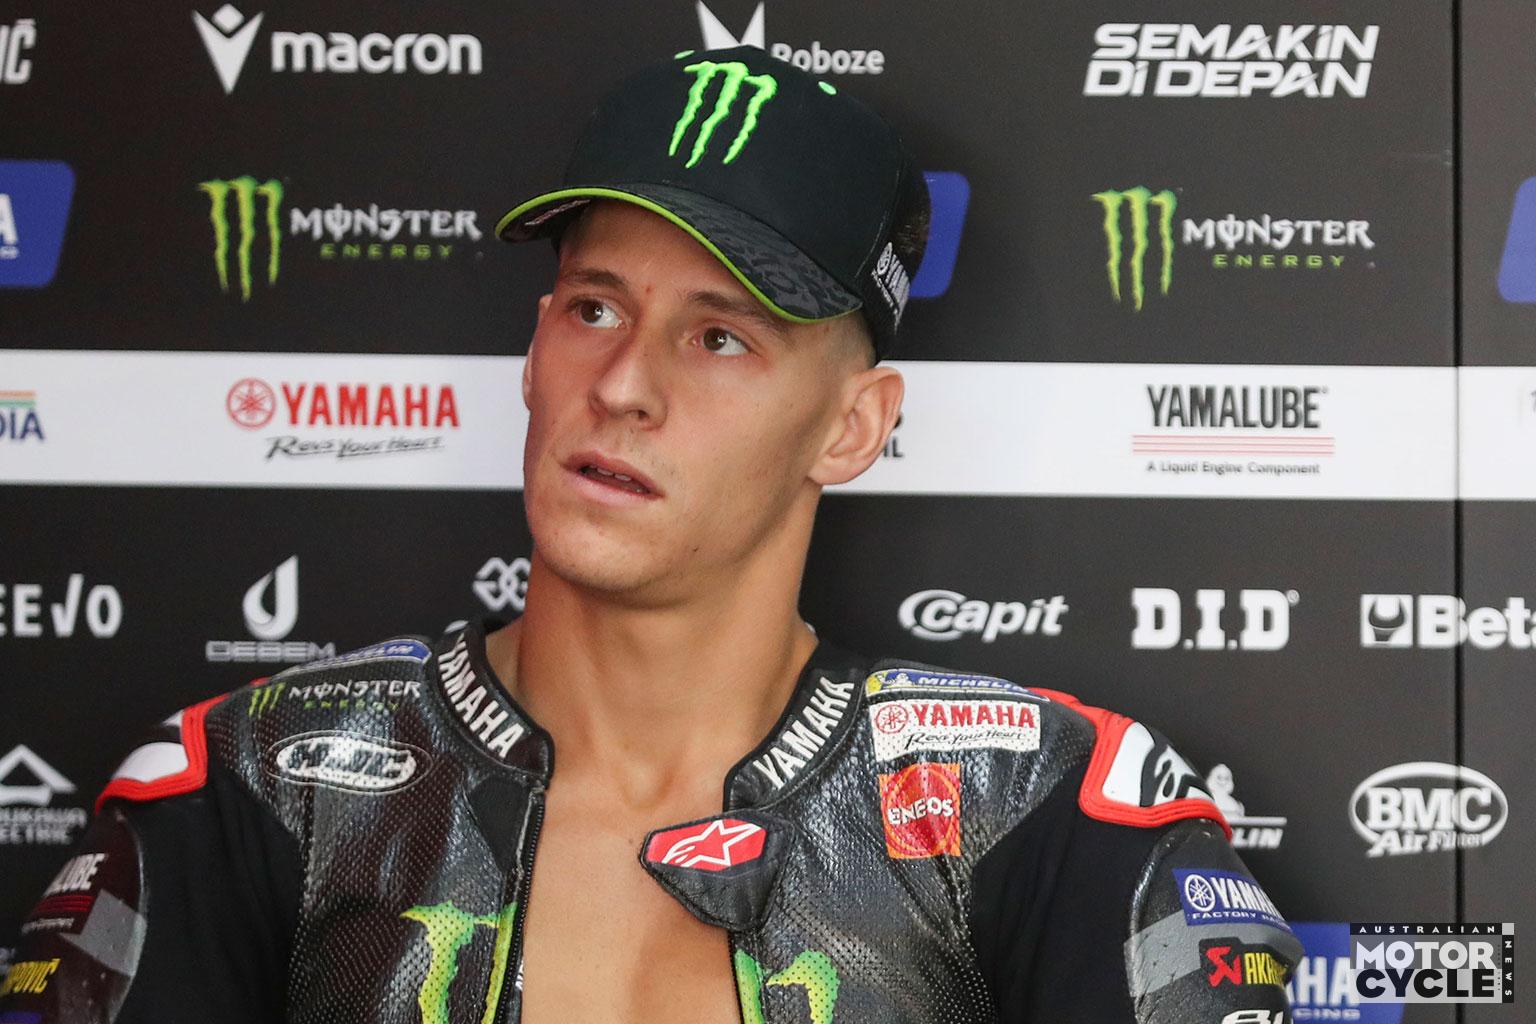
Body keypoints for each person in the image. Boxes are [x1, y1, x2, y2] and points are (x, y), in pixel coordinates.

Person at [0, 46, 1299, 1023]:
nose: (623, 384)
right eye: (594, 309)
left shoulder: (1049, 810)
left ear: (852, 427)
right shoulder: (248, 788)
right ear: (535, 347)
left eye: (719, 337)